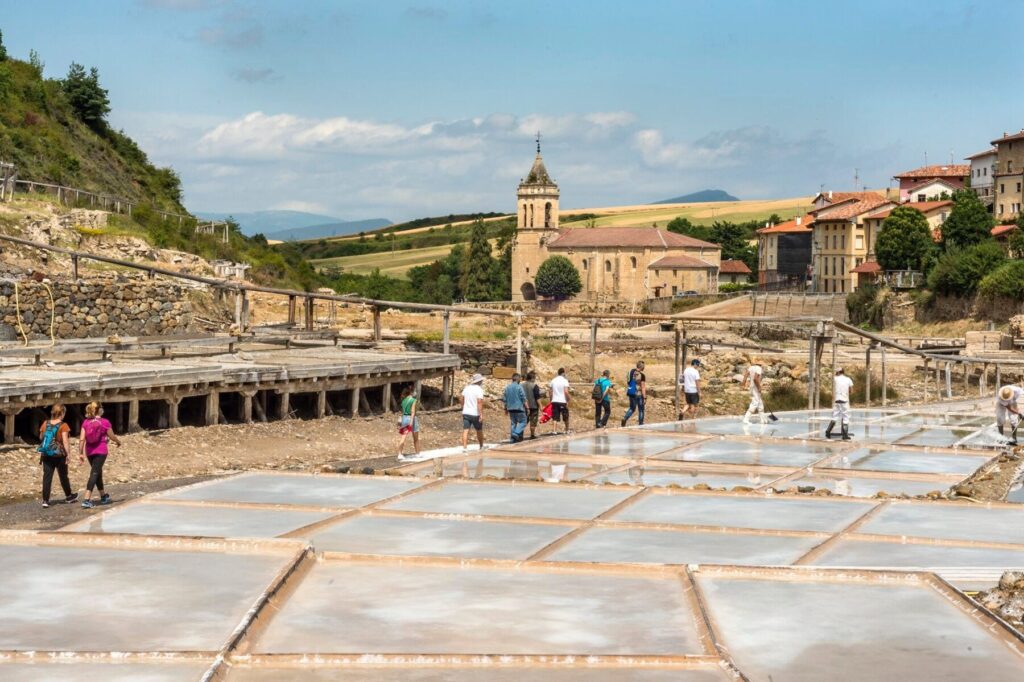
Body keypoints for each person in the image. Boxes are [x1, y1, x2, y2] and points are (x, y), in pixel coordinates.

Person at [79, 401, 121, 508]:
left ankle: (103, 496)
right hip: (101, 451)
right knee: (94, 473)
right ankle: (86, 499)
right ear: (99, 410)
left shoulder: (86, 422)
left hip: (89, 452)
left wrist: (80, 453)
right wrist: (117, 441)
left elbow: (81, 439)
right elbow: (111, 436)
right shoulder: (105, 422)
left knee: (97, 472)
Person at [37, 404, 77, 508]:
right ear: (62, 413)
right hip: (59, 455)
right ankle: (69, 496)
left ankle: (45, 500)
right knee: (63, 476)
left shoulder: (45, 423)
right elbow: (65, 441)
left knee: (47, 477)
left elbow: (41, 437)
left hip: (46, 454)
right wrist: (68, 454)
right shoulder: (63, 425)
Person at [826, 368, 854, 441]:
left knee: (835, 416)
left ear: (838, 372)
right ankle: (845, 435)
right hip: (845, 400)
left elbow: (833, 377)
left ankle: (828, 432)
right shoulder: (848, 379)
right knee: (846, 417)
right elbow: (851, 390)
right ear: (843, 372)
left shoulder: (836, 379)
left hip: (837, 400)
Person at [460, 374, 487, 452]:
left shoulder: (467, 388)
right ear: (479, 381)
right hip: (475, 414)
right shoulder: (479, 390)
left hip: (466, 412)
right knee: (479, 430)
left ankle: (464, 448)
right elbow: (479, 402)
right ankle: (481, 446)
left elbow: (461, 398)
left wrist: (463, 407)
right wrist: (481, 414)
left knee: (466, 430)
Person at [503, 373, 528, 443]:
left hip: (510, 408)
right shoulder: (519, 387)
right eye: (520, 378)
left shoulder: (507, 387)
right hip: (519, 408)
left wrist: (505, 409)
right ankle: (516, 433)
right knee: (523, 421)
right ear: (518, 379)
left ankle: (512, 439)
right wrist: (527, 407)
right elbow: (523, 397)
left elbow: (505, 399)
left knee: (513, 423)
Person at [397, 385, 420, 460]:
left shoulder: (403, 400)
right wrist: (411, 422)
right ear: (411, 392)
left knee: (403, 437)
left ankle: (400, 453)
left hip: (404, 418)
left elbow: (403, 411)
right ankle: (417, 453)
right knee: (415, 438)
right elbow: (413, 412)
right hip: (411, 419)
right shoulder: (413, 400)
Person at [741, 358, 767, 425]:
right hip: (755, 387)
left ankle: (763, 420)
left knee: (760, 403)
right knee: (755, 403)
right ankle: (746, 419)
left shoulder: (751, 367)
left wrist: (743, 384)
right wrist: (759, 387)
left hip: (751, 387)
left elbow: (745, 375)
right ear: (760, 364)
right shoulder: (759, 368)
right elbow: (755, 379)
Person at [621, 360, 647, 427]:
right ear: (642, 367)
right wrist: (644, 397)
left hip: (631, 392)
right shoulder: (642, 375)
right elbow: (643, 387)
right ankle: (641, 425)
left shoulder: (630, 372)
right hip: (638, 394)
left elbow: (628, 382)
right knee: (641, 409)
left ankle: (625, 418)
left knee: (632, 408)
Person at [522, 371, 544, 439]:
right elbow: (537, 397)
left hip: (524, 406)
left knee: (524, 421)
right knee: (533, 421)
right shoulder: (534, 386)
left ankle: (520, 434)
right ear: (532, 378)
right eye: (534, 378)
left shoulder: (521, 385)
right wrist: (540, 406)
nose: (535, 380)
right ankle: (532, 435)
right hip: (533, 406)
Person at [549, 367, 571, 434]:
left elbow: (550, 392)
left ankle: (554, 430)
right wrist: (568, 399)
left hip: (554, 401)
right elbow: (566, 392)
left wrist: (551, 400)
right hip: (562, 401)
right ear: (563, 373)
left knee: (555, 417)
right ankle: (567, 430)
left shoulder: (553, 380)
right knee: (565, 416)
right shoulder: (565, 381)